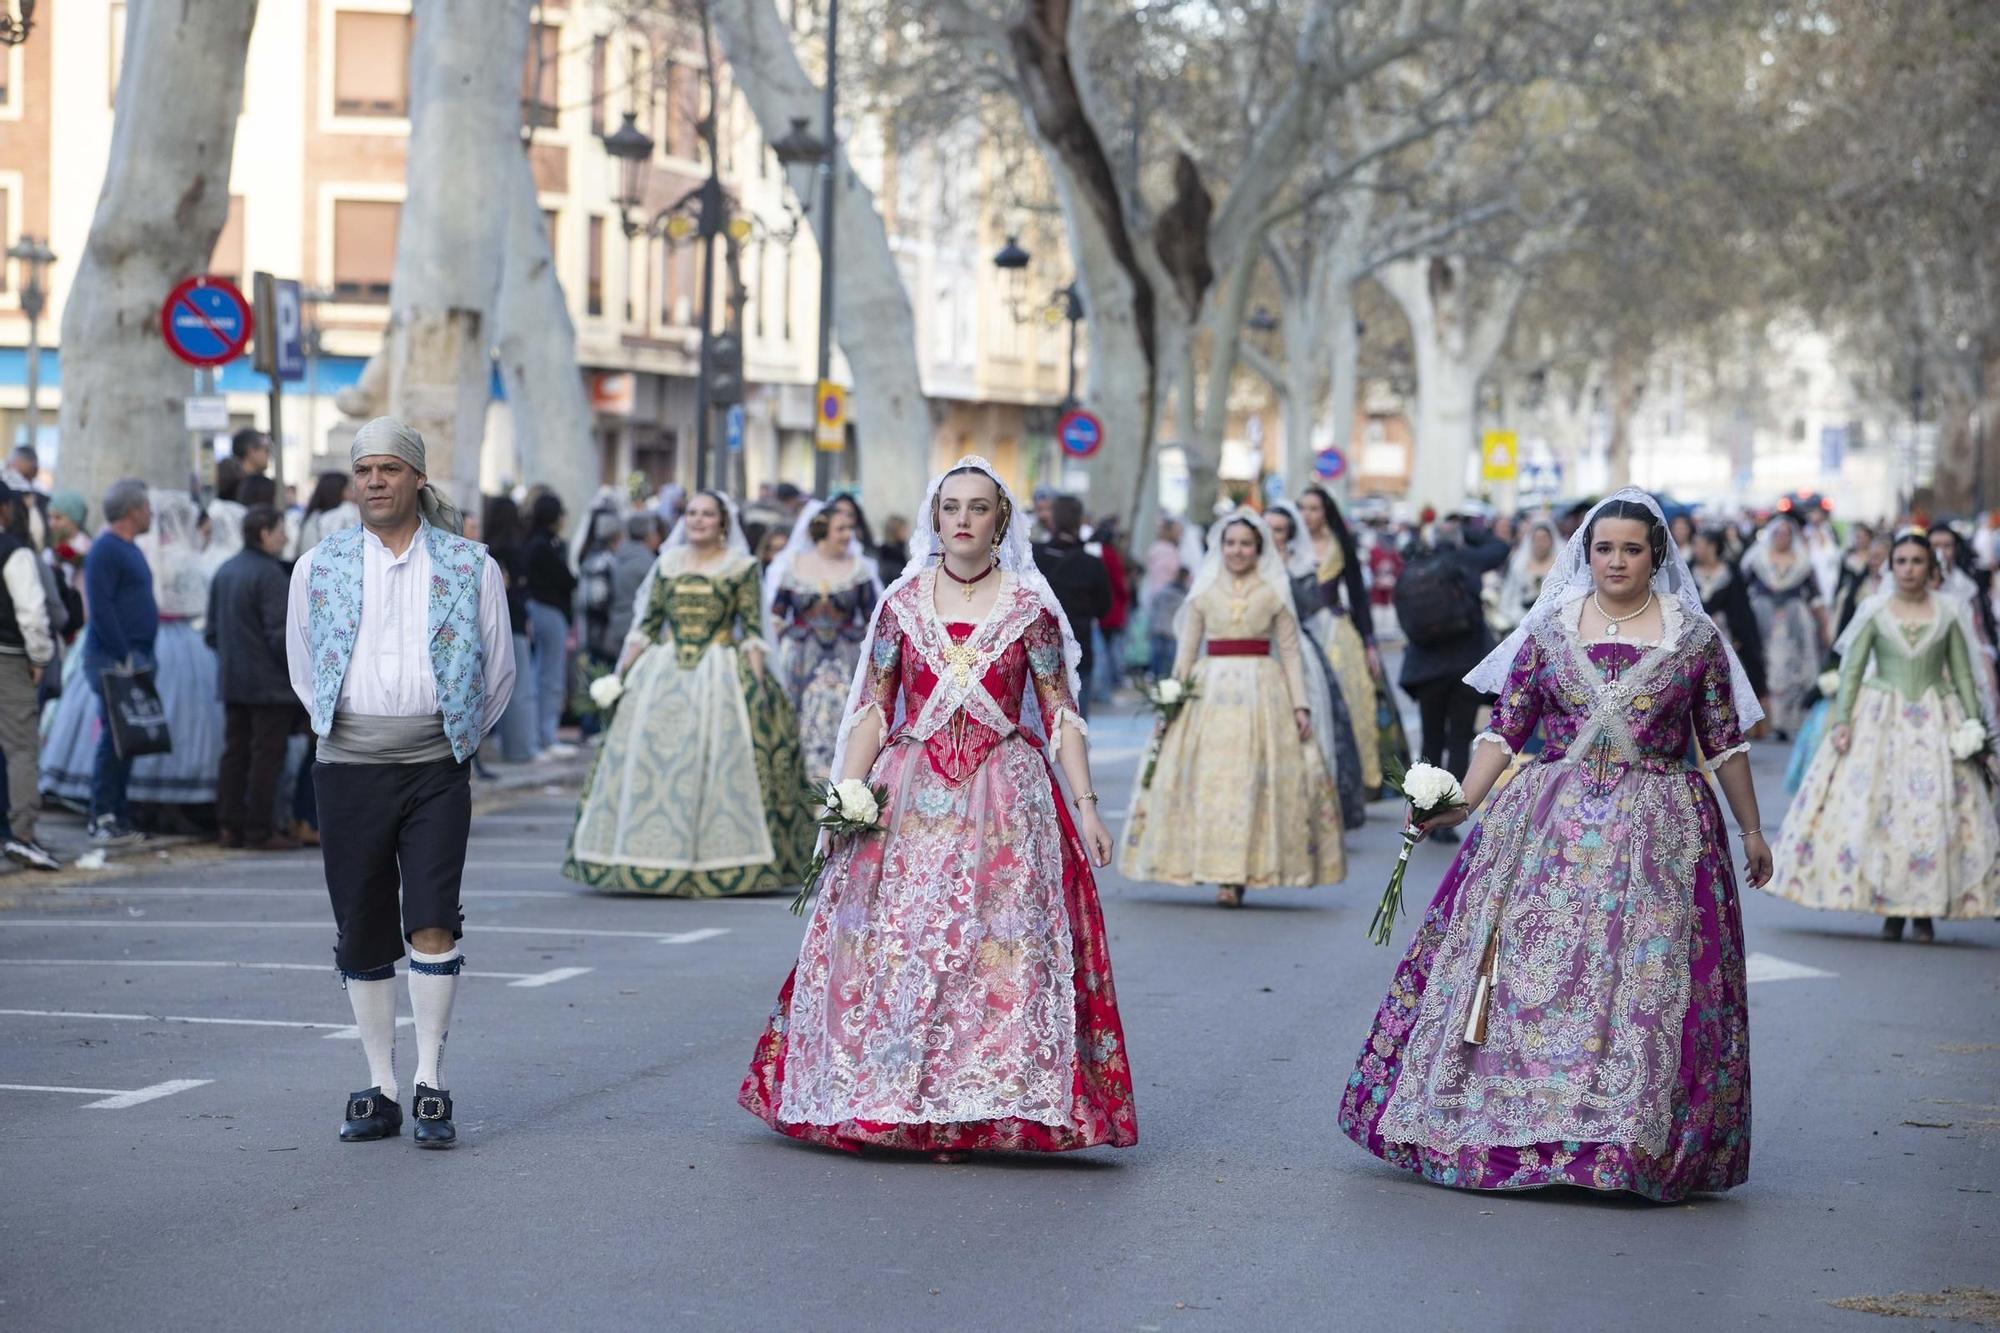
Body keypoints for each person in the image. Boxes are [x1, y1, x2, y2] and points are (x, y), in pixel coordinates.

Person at [1340, 489, 1771, 1202]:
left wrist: (1751, 828)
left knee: (1644, 986)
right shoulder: (1548, 628)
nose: (1617, 561)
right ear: (1586, 552)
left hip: (1658, 832)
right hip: (1547, 825)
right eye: (1605, 548)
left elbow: (1724, 741)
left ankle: (1622, 1137)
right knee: (1526, 975)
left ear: (1655, 555)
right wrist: (1460, 801)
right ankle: (1521, 1125)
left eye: (1632, 549)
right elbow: (1506, 728)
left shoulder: (1694, 637)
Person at [739, 457, 1137, 1156]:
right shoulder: (901, 605)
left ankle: (984, 1100)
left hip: (1007, 796)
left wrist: (1088, 806)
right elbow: (872, 708)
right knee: (905, 943)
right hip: (909, 793)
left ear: (1000, 521)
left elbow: (1060, 713)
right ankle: (897, 1093)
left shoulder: (1030, 609)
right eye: (950, 506)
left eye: (977, 507)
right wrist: (848, 794)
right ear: (934, 518)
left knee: (995, 948)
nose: (962, 519)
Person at [286, 418, 516, 1148]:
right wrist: (343, 725)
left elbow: (497, 670)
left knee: (432, 914)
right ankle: (379, 1084)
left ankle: (430, 1081)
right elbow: (304, 662)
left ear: (418, 477)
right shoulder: (316, 567)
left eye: (391, 467)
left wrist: (453, 740)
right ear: (354, 481)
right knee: (361, 922)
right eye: (365, 470)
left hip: (434, 765)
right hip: (348, 764)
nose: (376, 480)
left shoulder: (470, 564)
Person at [563, 490, 811, 896]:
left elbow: (751, 631)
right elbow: (647, 625)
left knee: (722, 765)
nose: (697, 520)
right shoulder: (668, 562)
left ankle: (720, 859)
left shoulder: (742, 566)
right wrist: (621, 675)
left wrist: (761, 691)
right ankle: (643, 856)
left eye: (707, 514)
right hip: (663, 673)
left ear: (722, 523)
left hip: (721, 672)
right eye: (692, 513)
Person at [1766, 529, 1999, 941]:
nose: (1909, 569)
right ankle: (1889, 909)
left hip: (1933, 718)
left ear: (1932, 568)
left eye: (1917, 561)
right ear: (1892, 567)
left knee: (1930, 810)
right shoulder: (1875, 609)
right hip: (1880, 718)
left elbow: (1963, 671)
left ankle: (1925, 911)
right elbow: (1852, 670)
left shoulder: (1948, 610)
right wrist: (1841, 721)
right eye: (1902, 561)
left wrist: (1973, 723)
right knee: (1882, 810)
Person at [1122, 507, 1345, 906]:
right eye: (1231, 543)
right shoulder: (1204, 593)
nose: (1238, 551)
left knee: (1254, 782)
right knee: (1209, 781)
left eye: (1245, 544)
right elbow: (1185, 654)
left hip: (1264, 693)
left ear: (1258, 549)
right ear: (1219, 547)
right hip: (1207, 695)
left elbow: (1291, 654)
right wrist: (1170, 704)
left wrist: (1301, 706)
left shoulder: (1274, 592)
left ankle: (1242, 872)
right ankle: (1214, 868)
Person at [48, 481, 157, 845]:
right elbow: (102, 608)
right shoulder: (105, 550)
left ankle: (118, 813)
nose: (150, 514)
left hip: (133, 656)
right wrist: (124, 654)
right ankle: (103, 816)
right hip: (114, 658)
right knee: (114, 737)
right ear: (132, 511)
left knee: (128, 739)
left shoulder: (128, 548)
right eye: (146, 507)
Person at [1394, 515, 1511, 831]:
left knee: (1430, 742)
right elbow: (1500, 546)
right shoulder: (1465, 560)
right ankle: (1445, 821)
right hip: (1465, 666)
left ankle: (1420, 815)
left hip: (1426, 668)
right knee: (1459, 740)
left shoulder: (1419, 562)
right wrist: (1469, 533)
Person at [1266, 500, 1367, 830]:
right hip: (1255, 655)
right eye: (1268, 530)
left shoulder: (1299, 564)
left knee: (1312, 724)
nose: (1273, 536)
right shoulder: (1246, 561)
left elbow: (1309, 606)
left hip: (1296, 649)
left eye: (1279, 530)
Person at [764, 500, 880, 784]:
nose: (847, 535)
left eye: (849, 528)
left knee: (844, 714)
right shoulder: (794, 566)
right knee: (799, 716)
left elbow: (872, 618)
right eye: (840, 529)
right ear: (821, 531)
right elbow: (777, 614)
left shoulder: (858, 569)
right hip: (801, 656)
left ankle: (839, 780)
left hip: (845, 655)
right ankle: (800, 783)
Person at [1298, 486, 1401, 797]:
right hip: (1299, 631)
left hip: (1336, 630)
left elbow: (1358, 595)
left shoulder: (1339, 545)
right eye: (1303, 508)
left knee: (1352, 701)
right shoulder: (1288, 546)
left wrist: (1369, 642)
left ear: (1325, 512)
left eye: (1314, 508)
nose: (1308, 515)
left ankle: (1350, 779)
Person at [208, 506, 299, 851]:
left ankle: (229, 825)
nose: (286, 536)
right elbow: (281, 635)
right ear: (263, 532)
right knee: (266, 757)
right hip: (270, 686)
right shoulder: (271, 576)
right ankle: (259, 829)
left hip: (234, 680)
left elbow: (212, 633)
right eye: (280, 529)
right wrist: (299, 671)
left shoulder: (226, 571)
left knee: (235, 754)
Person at [0, 489, 58, 870]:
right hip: (9, 657)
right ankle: (22, 834)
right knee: (21, 746)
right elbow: (31, 610)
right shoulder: (13, 550)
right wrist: (40, 654)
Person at [1741, 512, 1827, 739]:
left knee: (1794, 671)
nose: (1782, 537)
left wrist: (1824, 626)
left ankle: (1789, 721)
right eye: (1777, 533)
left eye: (1786, 533)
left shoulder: (1803, 563)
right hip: (1762, 622)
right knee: (1765, 667)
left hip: (1794, 625)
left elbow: (1815, 597)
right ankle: (1766, 722)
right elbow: (1741, 592)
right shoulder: (1757, 561)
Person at [1032, 494, 1112, 715]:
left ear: (1053, 521)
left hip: (1038, 647)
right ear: (1079, 522)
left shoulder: (1035, 556)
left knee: (1040, 720)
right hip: (1078, 646)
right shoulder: (1091, 564)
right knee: (1077, 718)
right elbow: (1104, 607)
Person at [480, 496, 537, 763]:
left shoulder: (487, 548)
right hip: (514, 620)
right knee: (520, 685)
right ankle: (521, 749)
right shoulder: (515, 549)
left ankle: (509, 744)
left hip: (491, 622)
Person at [522, 494, 577, 759]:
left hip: (539, 610)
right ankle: (547, 734)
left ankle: (539, 734)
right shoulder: (545, 546)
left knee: (538, 674)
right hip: (550, 611)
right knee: (550, 676)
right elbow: (567, 579)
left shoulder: (534, 542)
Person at [1690, 527, 1769, 704]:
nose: (1696, 549)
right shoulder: (1689, 571)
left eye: (1700, 545)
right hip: (1694, 638)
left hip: (1726, 636)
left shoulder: (1730, 572)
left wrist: (1739, 635)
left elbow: (1740, 607)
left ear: (1712, 547)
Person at [605, 511, 662, 653]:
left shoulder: (617, 557)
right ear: (649, 534)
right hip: (637, 629)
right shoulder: (648, 564)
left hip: (615, 625)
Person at [1494, 519, 1558, 630]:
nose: (1540, 544)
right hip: (1521, 618)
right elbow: (1510, 592)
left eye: (1544, 539)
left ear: (1551, 541)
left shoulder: (1559, 565)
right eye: (1537, 539)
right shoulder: (1520, 564)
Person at [291, 472, 360, 561]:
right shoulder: (344, 512)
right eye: (348, 489)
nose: (353, 493)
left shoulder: (314, 517)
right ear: (336, 491)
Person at [873, 514, 912, 588]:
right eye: (904, 530)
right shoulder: (888, 554)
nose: (907, 533)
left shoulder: (900, 550)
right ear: (895, 532)